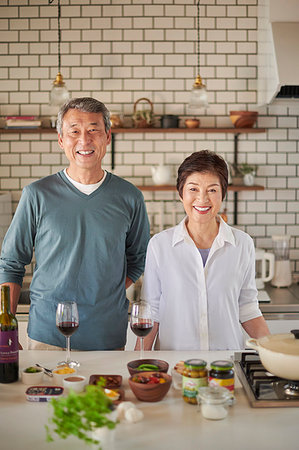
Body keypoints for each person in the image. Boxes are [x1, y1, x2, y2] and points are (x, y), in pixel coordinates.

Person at [0, 97, 150, 351]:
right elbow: (11, 264)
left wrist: (104, 288)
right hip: (47, 336)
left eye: (93, 130)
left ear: (107, 137)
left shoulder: (130, 197)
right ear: (61, 140)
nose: (84, 140)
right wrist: (6, 331)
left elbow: (139, 259)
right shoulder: (36, 195)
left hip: (106, 336)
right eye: (74, 132)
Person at [139, 150, 269, 351]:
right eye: (193, 189)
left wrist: (275, 351)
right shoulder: (160, 245)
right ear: (181, 193)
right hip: (174, 364)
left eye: (212, 190)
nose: (202, 199)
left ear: (223, 194)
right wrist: (137, 363)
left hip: (226, 365)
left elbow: (248, 308)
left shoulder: (243, 244)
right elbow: (151, 311)